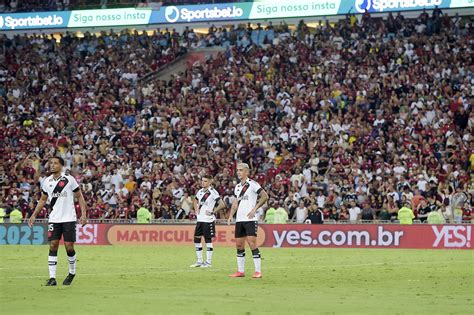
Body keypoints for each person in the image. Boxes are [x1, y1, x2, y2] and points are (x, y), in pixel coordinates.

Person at [28, 157, 87, 286]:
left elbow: (80, 197)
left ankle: (72, 272)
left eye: (55, 163)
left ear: (61, 166)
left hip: (69, 218)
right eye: (51, 163)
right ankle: (52, 278)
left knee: (69, 247)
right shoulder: (46, 181)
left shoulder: (69, 180)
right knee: (53, 245)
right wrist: (34, 215)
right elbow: (43, 200)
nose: (52, 165)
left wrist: (83, 214)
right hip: (54, 219)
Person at [227, 163, 268, 278]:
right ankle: (240, 271)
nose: (238, 172)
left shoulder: (253, 184)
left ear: (247, 172)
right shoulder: (237, 187)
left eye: (241, 170)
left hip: (250, 219)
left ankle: (258, 271)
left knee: (252, 243)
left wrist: (255, 209)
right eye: (237, 170)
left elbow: (265, 196)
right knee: (239, 245)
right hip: (239, 220)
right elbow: (235, 203)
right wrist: (231, 215)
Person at [190, 174, 225, 268]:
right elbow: (195, 200)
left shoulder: (213, 192)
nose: (203, 182)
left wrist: (213, 211)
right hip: (200, 220)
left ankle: (208, 262)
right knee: (196, 239)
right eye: (202, 180)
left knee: (207, 240)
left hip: (208, 220)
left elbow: (222, 204)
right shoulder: (200, 191)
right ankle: (199, 261)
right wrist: (196, 209)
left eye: (205, 181)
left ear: (210, 182)